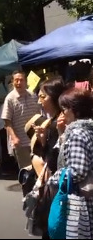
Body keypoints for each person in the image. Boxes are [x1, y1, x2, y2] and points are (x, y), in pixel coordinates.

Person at [47, 87, 93, 235]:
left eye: (65, 109)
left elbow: (77, 171)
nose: (63, 113)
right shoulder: (88, 129)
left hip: (81, 203)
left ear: (76, 111)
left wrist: (54, 179)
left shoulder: (78, 133)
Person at [1, 70, 40, 169]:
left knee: (38, 168)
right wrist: (14, 138)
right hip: (20, 141)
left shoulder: (33, 95)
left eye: (21, 80)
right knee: (26, 171)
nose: (19, 83)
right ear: (12, 82)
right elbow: (7, 121)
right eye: (16, 80)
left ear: (26, 81)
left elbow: (39, 115)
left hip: (35, 139)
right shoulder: (10, 98)